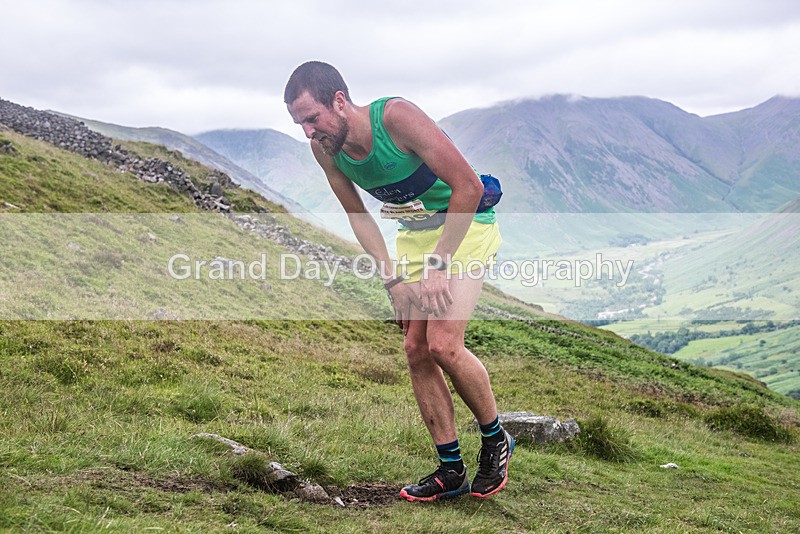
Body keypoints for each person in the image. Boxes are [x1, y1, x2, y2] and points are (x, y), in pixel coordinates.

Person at [284, 61, 513, 501]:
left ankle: (496, 439)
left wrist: (438, 265)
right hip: (414, 234)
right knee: (415, 348)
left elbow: (466, 186)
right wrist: (393, 281)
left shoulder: (395, 118)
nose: (309, 132)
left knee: (445, 344)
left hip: (464, 224)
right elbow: (358, 215)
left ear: (339, 101)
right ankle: (450, 470)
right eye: (300, 124)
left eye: (312, 119)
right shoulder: (326, 149)